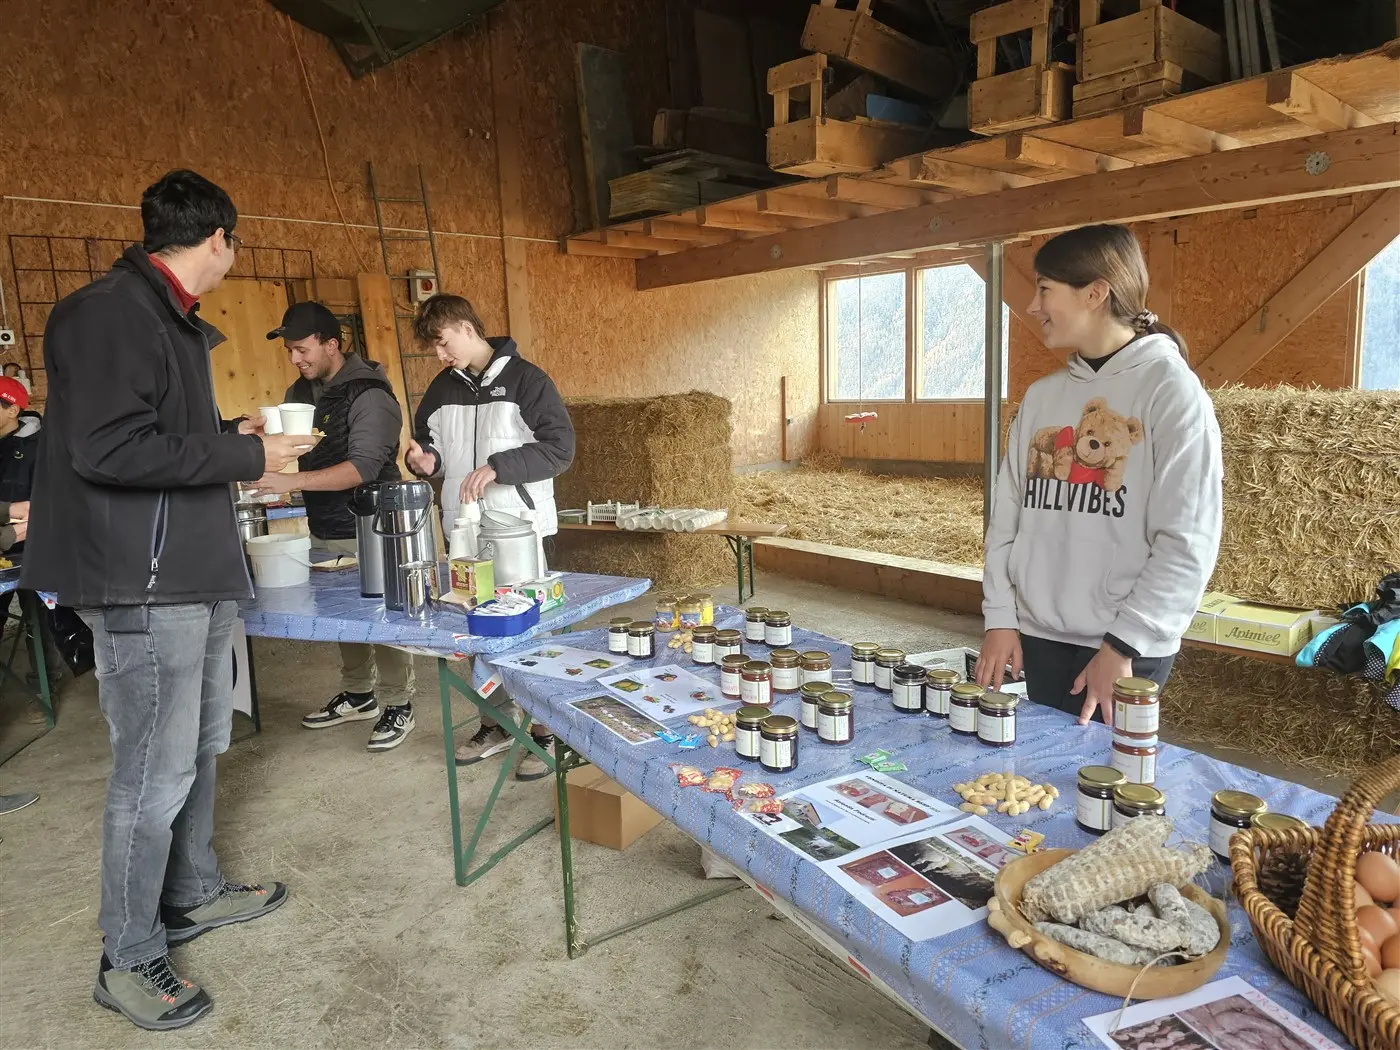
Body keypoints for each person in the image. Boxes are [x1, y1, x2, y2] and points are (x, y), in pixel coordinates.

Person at [20, 169, 309, 1031]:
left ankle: (192, 893)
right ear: (219, 239)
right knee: (151, 772)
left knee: (201, 743)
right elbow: (111, 450)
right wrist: (251, 461)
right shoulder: (109, 311)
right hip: (144, 581)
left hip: (192, 569)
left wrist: (231, 438)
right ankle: (130, 954)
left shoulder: (165, 319)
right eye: (234, 242)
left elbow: (159, 439)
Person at [976, 224, 1223, 726]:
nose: (1032, 305)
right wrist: (1000, 618)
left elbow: (1187, 539)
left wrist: (1123, 644)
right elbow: (1006, 519)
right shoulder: (1043, 397)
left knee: (1099, 792)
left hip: (1122, 648)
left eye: (1044, 289)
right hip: (1038, 636)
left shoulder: (1170, 393)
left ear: (1095, 293)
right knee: (1034, 785)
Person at [405, 294, 575, 780]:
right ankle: (496, 723)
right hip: (464, 532)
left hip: (521, 530)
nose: (440, 356)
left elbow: (560, 450)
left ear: (465, 327)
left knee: (531, 632)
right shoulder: (441, 388)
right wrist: (425, 463)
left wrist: (499, 467)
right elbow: (430, 446)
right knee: (477, 631)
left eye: (442, 343)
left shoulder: (528, 380)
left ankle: (545, 730)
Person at [249, 301, 412, 751]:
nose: (296, 359)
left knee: (383, 613)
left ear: (332, 345)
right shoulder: (301, 394)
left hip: (376, 521)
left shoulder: (369, 394)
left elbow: (362, 467)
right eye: (290, 352)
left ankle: (399, 702)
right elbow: (299, 448)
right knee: (342, 612)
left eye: (303, 349)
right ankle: (360, 695)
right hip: (326, 520)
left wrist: (289, 480)